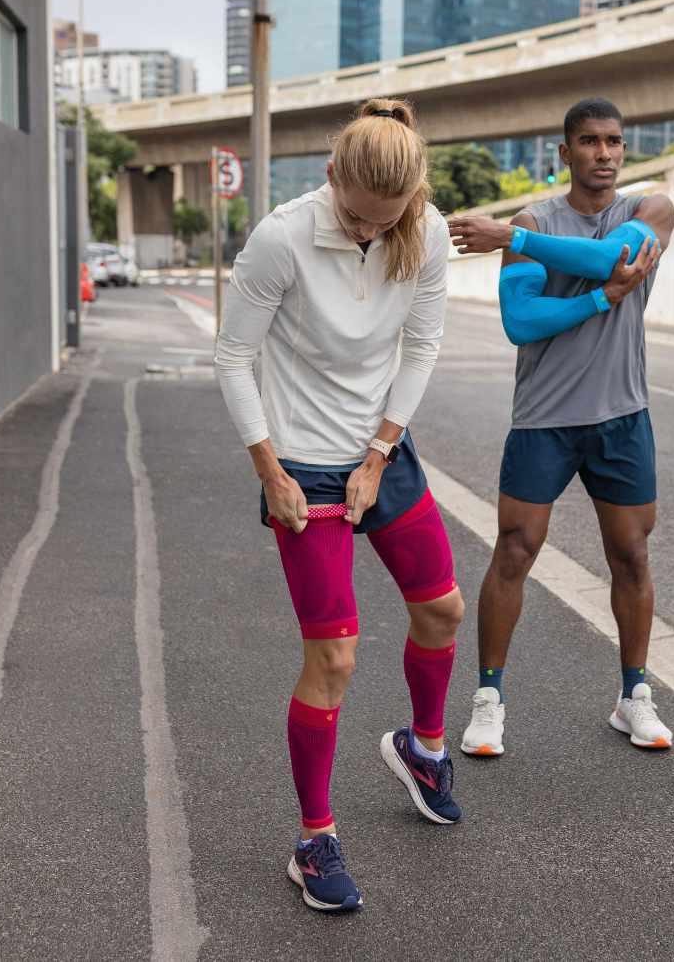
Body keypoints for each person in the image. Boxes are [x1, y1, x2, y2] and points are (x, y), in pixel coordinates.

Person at [215, 98, 463, 914]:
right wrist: (269, 471)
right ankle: (313, 838)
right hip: (301, 465)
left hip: (379, 450)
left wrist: (381, 451)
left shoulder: (424, 232)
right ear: (331, 177)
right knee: (335, 658)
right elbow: (234, 355)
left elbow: (421, 344)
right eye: (357, 217)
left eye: (386, 220)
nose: (368, 231)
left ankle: (424, 749)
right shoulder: (282, 237)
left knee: (443, 608)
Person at [445, 97, 674, 758]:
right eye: (590, 141)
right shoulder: (535, 218)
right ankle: (489, 700)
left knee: (631, 556)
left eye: (614, 141)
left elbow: (614, 257)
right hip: (544, 418)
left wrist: (512, 242)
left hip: (621, 414)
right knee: (515, 550)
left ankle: (633, 695)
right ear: (565, 152)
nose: (604, 153)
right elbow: (522, 322)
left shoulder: (650, 211)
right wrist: (603, 298)